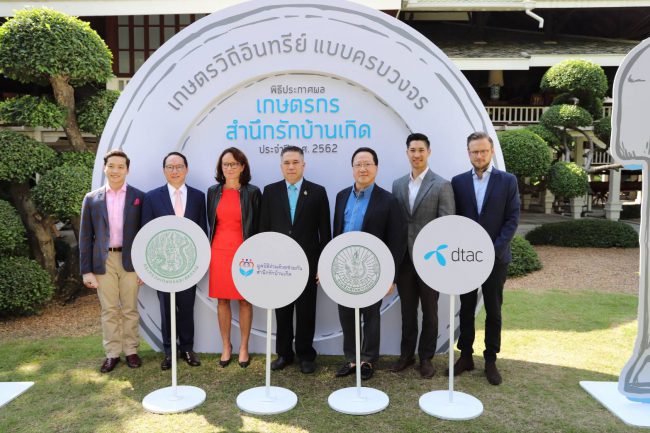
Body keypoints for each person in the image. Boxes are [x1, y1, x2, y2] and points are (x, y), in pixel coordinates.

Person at [451, 131, 520, 385]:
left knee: (493, 310)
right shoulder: (458, 182)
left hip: (496, 258)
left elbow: (512, 219)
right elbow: (455, 220)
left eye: (483, 151)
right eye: (474, 152)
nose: (479, 156)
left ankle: (490, 359)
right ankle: (465, 356)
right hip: (466, 258)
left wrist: (493, 251)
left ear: (491, 151)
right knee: (466, 308)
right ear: (468, 153)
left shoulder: (507, 181)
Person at [333, 147, 406, 380]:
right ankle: (351, 358)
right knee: (346, 315)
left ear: (376, 167)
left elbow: (397, 241)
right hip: (343, 268)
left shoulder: (389, 200)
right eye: (358, 164)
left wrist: (391, 277)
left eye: (367, 164)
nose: (362, 169)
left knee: (371, 315)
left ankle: (368, 360)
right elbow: (336, 234)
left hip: (373, 270)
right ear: (352, 168)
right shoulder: (341, 196)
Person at [260, 146, 331, 374]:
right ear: (281, 166)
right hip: (278, 265)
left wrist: (322, 265)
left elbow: (325, 232)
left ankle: (305, 355)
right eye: (287, 163)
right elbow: (263, 230)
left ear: (303, 165)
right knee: (282, 311)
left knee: (306, 311)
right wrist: (265, 263)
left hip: (308, 264)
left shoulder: (318, 192)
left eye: (295, 162)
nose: (291, 167)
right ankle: (284, 354)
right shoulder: (270, 191)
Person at [390, 133, 455, 378]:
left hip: (430, 260)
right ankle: (406, 355)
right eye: (412, 150)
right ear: (407, 152)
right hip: (405, 259)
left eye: (421, 150)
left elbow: (447, 224)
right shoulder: (397, 184)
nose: (416, 154)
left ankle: (426, 358)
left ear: (428, 152)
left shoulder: (441, 185)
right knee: (407, 311)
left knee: (430, 311)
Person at [79, 150, 145, 373]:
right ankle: (112, 353)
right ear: (104, 168)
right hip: (103, 260)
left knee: (130, 308)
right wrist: (86, 271)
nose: (116, 170)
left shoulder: (139, 197)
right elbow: (85, 237)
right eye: (112, 166)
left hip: (131, 260)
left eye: (120, 166)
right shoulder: (92, 199)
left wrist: (144, 267)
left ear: (127, 170)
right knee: (109, 310)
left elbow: (145, 234)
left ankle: (131, 351)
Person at [141, 151, 207, 370]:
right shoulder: (152, 197)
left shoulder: (198, 197)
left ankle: (187, 348)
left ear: (186, 169)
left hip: (189, 264)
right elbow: (146, 233)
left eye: (179, 167)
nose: (175, 171)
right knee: (166, 309)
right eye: (170, 167)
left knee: (187, 308)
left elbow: (202, 231)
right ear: (164, 171)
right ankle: (169, 352)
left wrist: (201, 261)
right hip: (162, 267)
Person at [207, 147, 261, 368]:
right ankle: (226, 346)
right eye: (225, 164)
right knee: (222, 300)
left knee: (245, 300)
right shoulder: (213, 192)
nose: (229, 168)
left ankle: (244, 347)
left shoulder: (253, 192)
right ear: (221, 167)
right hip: (219, 251)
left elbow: (257, 225)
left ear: (242, 166)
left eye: (234, 164)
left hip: (244, 252)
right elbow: (211, 223)